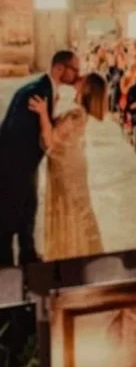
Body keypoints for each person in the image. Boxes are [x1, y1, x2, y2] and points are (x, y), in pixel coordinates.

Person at [0, 50, 80, 266]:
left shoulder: (46, 90)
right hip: (14, 166)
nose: (78, 74)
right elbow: (15, 134)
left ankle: (28, 256)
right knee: (8, 220)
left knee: (28, 211)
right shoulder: (35, 93)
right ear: (59, 69)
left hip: (27, 164)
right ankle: (6, 270)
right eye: (75, 70)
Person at [28, 72, 107, 261]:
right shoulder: (77, 111)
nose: (79, 77)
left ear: (86, 88)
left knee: (70, 211)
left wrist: (42, 113)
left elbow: (50, 140)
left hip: (67, 168)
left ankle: (70, 256)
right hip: (69, 164)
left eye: (83, 78)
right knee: (73, 210)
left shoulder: (76, 114)